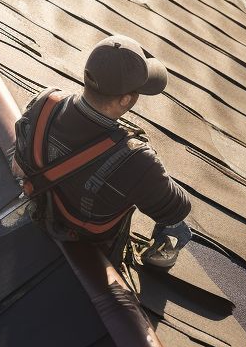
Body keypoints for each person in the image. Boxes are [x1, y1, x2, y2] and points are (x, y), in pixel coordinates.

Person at [12, 35, 192, 269]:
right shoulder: (138, 161)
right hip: (85, 246)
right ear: (127, 99)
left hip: (34, 214)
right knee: (178, 230)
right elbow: (177, 209)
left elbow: (18, 160)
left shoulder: (44, 103)